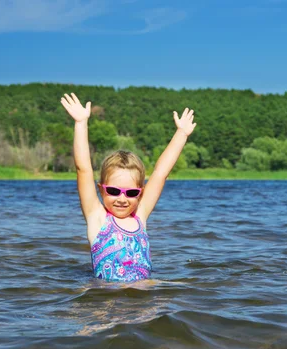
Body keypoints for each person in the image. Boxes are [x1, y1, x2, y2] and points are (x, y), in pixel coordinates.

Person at [60, 93, 196, 282]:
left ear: (140, 194)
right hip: (107, 300)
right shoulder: (97, 217)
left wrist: (181, 134)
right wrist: (81, 123)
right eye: (114, 191)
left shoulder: (140, 214)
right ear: (101, 190)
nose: (122, 199)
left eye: (131, 193)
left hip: (142, 304)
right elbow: (83, 170)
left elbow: (160, 173)